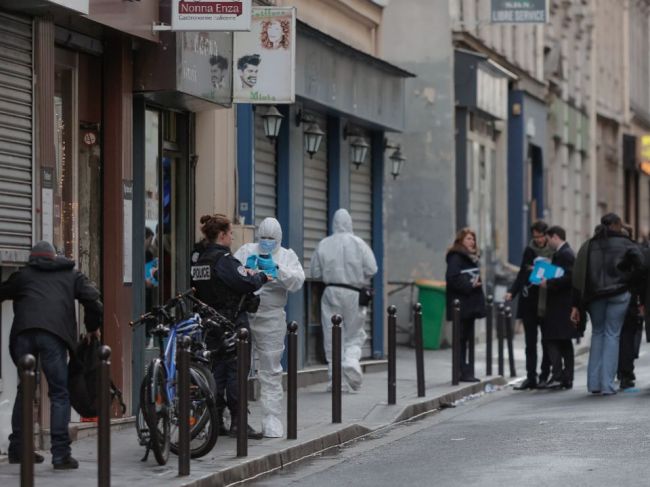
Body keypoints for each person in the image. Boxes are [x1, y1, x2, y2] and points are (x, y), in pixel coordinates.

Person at [0, 241, 103, 469]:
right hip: (54, 336)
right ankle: (60, 454)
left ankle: (18, 449)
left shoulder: (24, 275)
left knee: (25, 390)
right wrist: (92, 326)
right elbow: (93, 299)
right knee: (59, 393)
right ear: (54, 257)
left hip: (24, 334)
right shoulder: (71, 275)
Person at [190, 214, 270, 439]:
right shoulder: (223, 260)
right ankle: (238, 423)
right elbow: (244, 282)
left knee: (217, 372)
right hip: (231, 322)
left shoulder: (199, 259)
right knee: (237, 371)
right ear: (222, 235)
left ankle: (216, 421)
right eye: (231, 233)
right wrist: (260, 277)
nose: (232, 237)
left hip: (209, 323)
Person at [234, 218, 305, 437]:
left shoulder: (286, 255)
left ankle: (271, 417)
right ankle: (234, 416)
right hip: (245, 313)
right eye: (263, 237)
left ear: (279, 239)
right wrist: (249, 272)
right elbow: (231, 274)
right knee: (236, 367)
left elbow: (298, 281)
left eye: (271, 239)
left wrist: (278, 270)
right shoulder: (246, 251)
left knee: (270, 369)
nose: (266, 242)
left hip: (272, 316)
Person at [572, 213, 644, 395]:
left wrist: (577, 303)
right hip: (619, 293)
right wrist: (628, 281)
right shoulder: (626, 243)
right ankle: (607, 384)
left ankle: (594, 383)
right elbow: (642, 265)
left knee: (597, 334)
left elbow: (579, 273)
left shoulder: (590, 244)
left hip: (595, 295)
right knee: (613, 335)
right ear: (618, 225)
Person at [310, 209, 377, 391]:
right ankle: (350, 360)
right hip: (354, 292)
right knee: (355, 334)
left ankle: (335, 380)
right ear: (350, 223)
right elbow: (372, 268)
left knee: (332, 336)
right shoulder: (359, 243)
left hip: (330, 291)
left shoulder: (324, 243)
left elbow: (315, 272)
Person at [506, 221, 553, 390]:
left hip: (547, 302)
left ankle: (544, 375)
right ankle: (530, 376)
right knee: (530, 343)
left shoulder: (553, 251)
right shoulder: (529, 250)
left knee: (547, 341)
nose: (538, 240)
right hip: (530, 302)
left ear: (546, 235)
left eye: (541, 236)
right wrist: (513, 291)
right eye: (535, 237)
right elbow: (522, 273)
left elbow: (559, 273)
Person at [445, 228, 486, 382]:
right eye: (469, 239)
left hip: (470, 306)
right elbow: (452, 278)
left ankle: (465, 371)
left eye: (473, 239)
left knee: (466, 340)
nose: (472, 242)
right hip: (461, 306)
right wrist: (470, 284)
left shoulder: (470, 257)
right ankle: (463, 372)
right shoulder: (456, 257)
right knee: (461, 340)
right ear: (461, 240)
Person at [539, 226, 577, 390]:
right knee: (563, 341)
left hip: (560, 305)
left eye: (548, 239)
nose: (547, 243)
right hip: (560, 304)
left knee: (552, 339)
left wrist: (549, 282)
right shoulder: (563, 253)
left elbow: (569, 277)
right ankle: (565, 377)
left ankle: (559, 375)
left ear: (555, 237)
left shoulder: (565, 254)